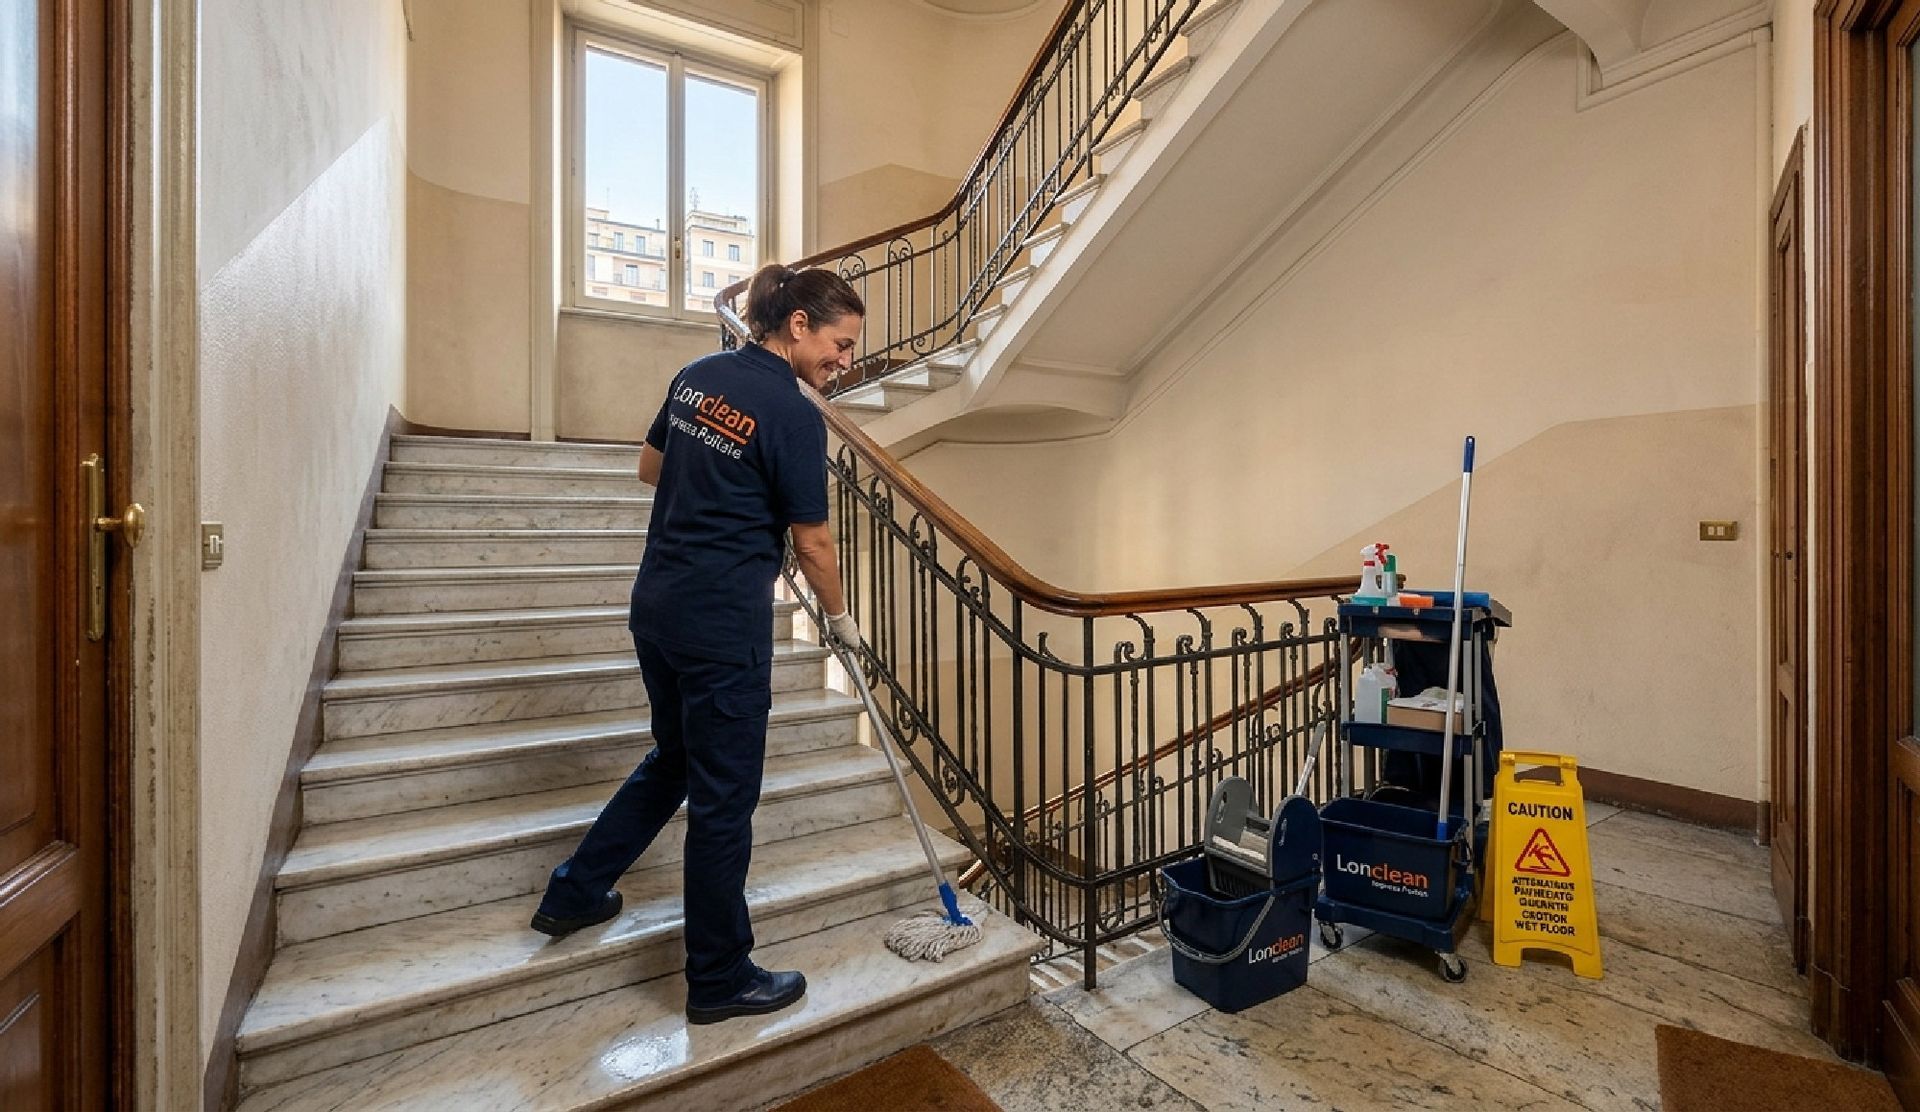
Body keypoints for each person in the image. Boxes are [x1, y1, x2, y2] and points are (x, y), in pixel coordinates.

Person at [530, 263, 865, 1026]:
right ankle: (718, 976)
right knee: (723, 803)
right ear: (800, 324)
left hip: (658, 608)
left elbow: (652, 467)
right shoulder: (790, 411)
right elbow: (812, 541)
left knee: (675, 760)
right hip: (720, 628)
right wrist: (840, 622)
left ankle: (577, 890)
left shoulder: (698, 373)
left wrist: (724, 497)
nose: (844, 362)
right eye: (840, 345)